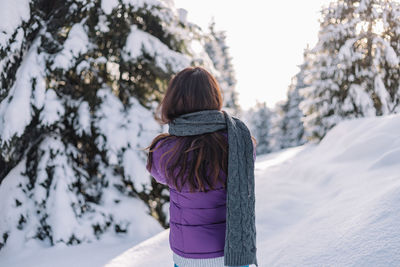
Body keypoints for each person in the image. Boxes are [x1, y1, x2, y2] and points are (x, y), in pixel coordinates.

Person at [146, 66, 258, 267]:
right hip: (233, 252)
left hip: (188, 255)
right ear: (214, 97)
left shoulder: (165, 149)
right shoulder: (238, 140)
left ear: (173, 100)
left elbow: (159, 174)